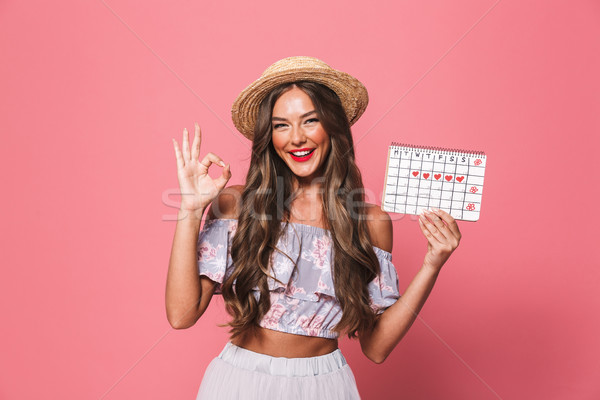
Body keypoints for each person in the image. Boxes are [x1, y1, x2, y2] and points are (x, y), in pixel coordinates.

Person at [165, 56, 462, 399]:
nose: (296, 138)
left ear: (332, 126)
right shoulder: (236, 204)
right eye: (281, 125)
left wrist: (432, 265)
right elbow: (181, 315)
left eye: (310, 121)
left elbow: (376, 348)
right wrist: (189, 211)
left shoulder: (370, 223)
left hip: (325, 386)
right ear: (269, 136)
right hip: (240, 382)